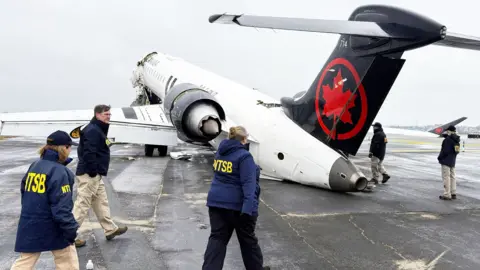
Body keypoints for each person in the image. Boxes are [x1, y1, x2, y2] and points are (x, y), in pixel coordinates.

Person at [202, 126, 270, 270]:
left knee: (217, 239)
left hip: (216, 204)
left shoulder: (220, 153)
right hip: (238, 207)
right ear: (244, 139)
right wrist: (248, 209)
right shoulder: (244, 157)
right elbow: (249, 185)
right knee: (248, 241)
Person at [11, 130, 80, 270]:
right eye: (69, 147)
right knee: (67, 257)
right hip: (52, 224)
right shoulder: (61, 172)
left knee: (26, 260)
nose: (70, 150)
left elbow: (24, 191)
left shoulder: (35, 165)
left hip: (30, 221)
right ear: (64, 148)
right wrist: (71, 230)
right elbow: (62, 208)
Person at [73, 104, 127, 247]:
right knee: (82, 205)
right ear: (97, 115)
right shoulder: (92, 131)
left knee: (101, 201)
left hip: (95, 174)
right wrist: (92, 171)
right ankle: (68, 235)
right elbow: (88, 153)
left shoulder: (97, 129)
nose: (108, 116)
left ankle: (110, 230)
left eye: (109, 114)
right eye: (105, 114)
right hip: (90, 174)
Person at [438, 125, 461, 200]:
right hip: (452, 161)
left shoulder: (447, 140)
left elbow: (445, 151)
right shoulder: (457, 140)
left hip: (446, 161)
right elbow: (457, 151)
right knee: (452, 177)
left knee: (446, 177)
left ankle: (447, 194)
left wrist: (440, 157)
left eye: (447, 130)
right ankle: (453, 193)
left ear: (449, 131)